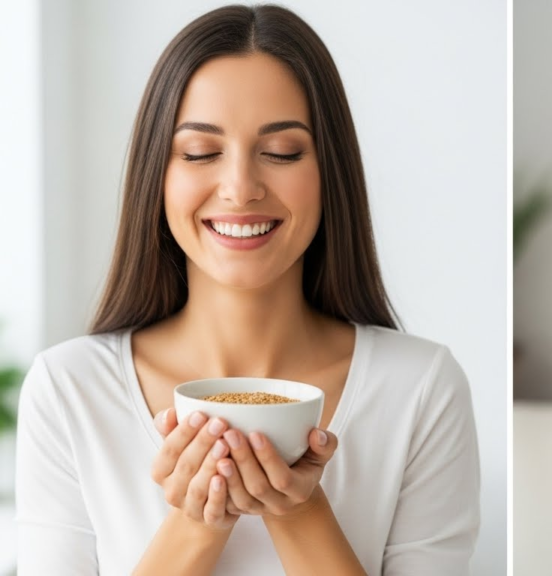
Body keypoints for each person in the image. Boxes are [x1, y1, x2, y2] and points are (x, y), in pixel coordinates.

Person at [16, 5, 480, 575]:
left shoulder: (420, 389)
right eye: (200, 153)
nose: (240, 188)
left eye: (282, 152)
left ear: (329, 170)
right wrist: (195, 524)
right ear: (156, 175)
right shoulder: (70, 391)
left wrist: (299, 511)